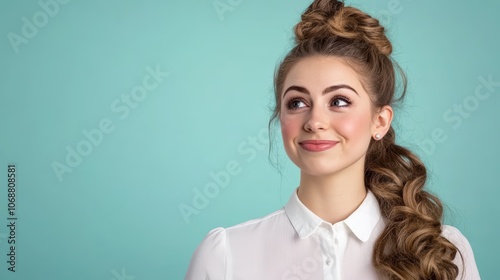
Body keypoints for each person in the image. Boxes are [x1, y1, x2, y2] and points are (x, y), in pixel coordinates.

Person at [185, 0, 480, 279]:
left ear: (380, 121)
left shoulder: (441, 253)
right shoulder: (226, 256)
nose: (314, 122)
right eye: (297, 103)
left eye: (339, 101)